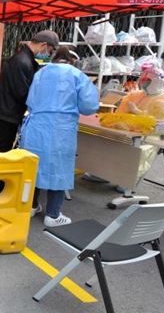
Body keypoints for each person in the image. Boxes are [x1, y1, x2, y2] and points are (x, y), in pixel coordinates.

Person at [19, 46, 99, 227]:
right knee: (59, 168)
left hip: (37, 126)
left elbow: (30, 101)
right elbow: (89, 106)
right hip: (61, 128)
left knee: (35, 165)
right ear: (73, 60)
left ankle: (31, 206)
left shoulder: (41, 73)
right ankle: (53, 215)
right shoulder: (77, 75)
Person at [0, 30, 59, 152]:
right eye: (50, 50)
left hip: (8, 112)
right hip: (6, 114)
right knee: (4, 150)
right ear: (43, 45)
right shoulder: (21, 61)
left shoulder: (26, 59)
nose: (49, 54)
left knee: (6, 149)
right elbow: (22, 93)